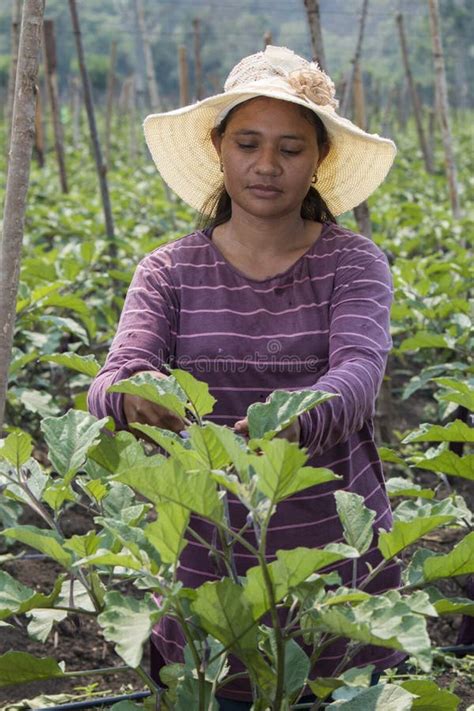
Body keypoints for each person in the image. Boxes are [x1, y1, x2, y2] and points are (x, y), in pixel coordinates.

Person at [88, 45, 405, 707]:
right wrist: (133, 399)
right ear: (219, 148)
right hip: (211, 578)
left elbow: (357, 373)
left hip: (337, 583)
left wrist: (285, 421)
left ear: (319, 158)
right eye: (249, 143)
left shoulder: (354, 263)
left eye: (290, 148)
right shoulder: (168, 271)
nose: (267, 166)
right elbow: (118, 373)